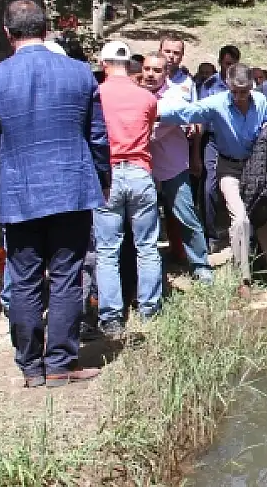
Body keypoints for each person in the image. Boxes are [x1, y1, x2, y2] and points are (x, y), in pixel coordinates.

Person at [0, 0, 110, 388]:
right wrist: (103, 178)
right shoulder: (80, 73)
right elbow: (97, 136)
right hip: (71, 187)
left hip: (20, 193)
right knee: (67, 277)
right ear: (46, 28)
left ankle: (32, 367)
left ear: (7, 31)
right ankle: (61, 364)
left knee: (25, 279)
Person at [156, 63, 267, 284]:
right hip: (228, 167)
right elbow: (187, 112)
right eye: (236, 91)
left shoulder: (260, 102)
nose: (240, 96)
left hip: (255, 167)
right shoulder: (217, 103)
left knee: (266, 217)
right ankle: (244, 278)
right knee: (239, 219)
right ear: (228, 85)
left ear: (251, 85)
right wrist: (153, 112)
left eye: (245, 91)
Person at [92, 42, 162, 340]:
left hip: (109, 174)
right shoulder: (146, 97)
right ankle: (149, 308)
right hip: (139, 172)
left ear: (104, 63)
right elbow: (148, 130)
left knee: (107, 250)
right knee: (147, 246)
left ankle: (111, 317)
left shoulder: (96, 95)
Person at [140, 53, 214, 284]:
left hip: (173, 166)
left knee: (186, 216)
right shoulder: (136, 95)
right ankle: (150, 272)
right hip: (144, 168)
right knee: (146, 221)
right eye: (147, 69)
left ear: (166, 73)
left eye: (157, 70)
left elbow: (151, 131)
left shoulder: (175, 96)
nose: (151, 74)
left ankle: (201, 265)